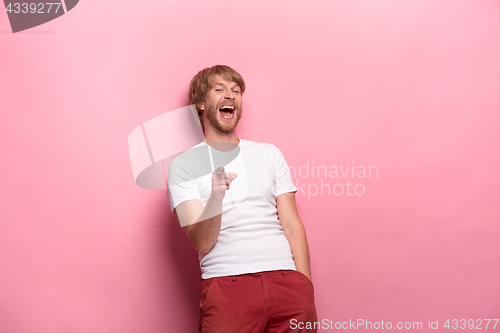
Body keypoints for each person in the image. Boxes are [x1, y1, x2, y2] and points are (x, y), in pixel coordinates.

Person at [167, 65, 317, 332]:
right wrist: (216, 197)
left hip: (287, 283)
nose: (230, 95)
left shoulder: (270, 154)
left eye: (236, 91)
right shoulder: (184, 165)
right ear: (200, 104)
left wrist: (305, 287)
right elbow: (201, 243)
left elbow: (292, 224)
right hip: (227, 286)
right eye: (219, 89)